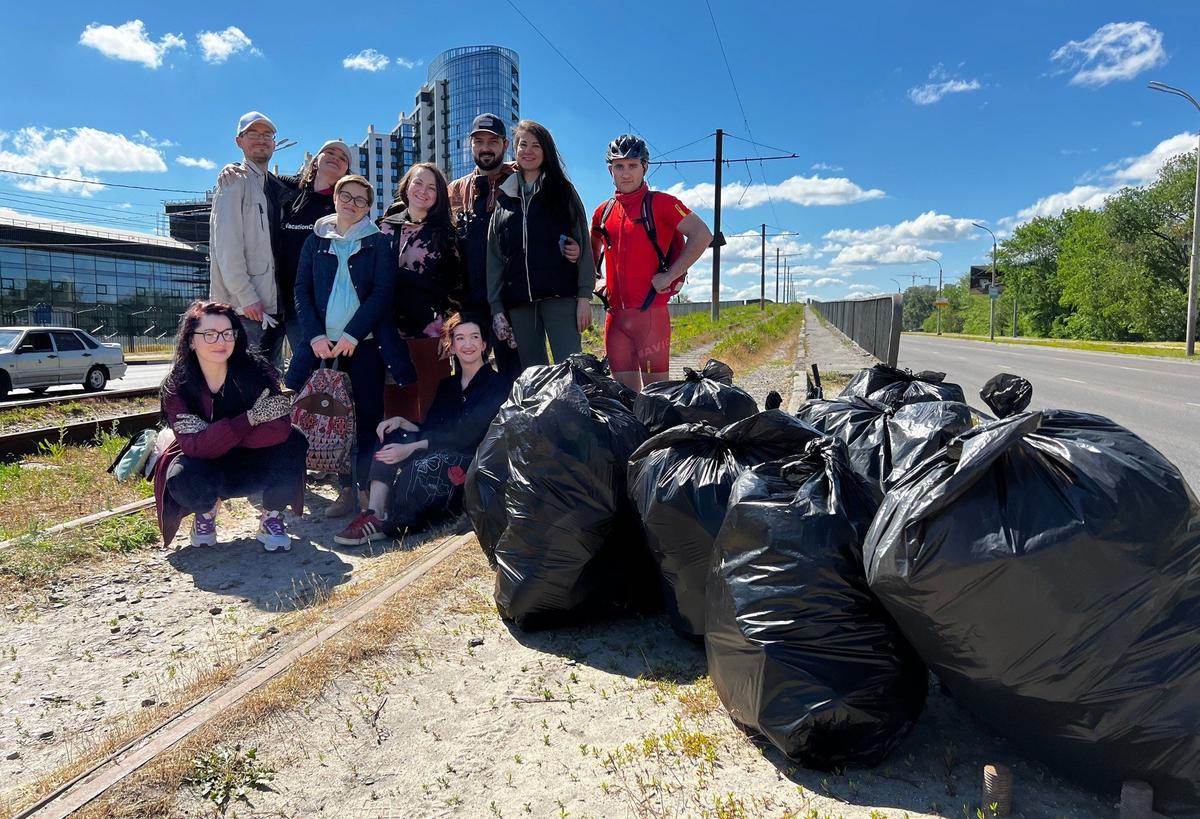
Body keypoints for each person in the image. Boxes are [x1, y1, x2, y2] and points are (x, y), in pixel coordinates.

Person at [287, 174, 416, 519]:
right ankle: (344, 489)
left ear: (369, 207)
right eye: (347, 195)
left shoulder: (378, 242)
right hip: (322, 348)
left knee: (367, 418)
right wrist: (315, 336)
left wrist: (353, 334)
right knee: (333, 420)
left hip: (364, 346)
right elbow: (301, 290)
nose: (352, 203)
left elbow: (382, 294)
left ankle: (365, 490)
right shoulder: (315, 239)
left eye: (361, 199)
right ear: (336, 197)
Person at [335, 313, 508, 546]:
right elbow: (432, 427)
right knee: (391, 432)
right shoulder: (448, 385)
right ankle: (374, 514)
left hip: (472, 462)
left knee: (424, 465)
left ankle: (393, 523)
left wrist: (412, 447)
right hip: (439, 448)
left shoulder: (498, 385)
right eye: (460, 338)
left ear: (484, 344)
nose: (468, 344)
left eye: (474, 337)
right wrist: (402, 423)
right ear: (452, 345)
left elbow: (468, 435)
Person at [155, 301, 307, 552]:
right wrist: (251, 418)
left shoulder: (259, 371)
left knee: (294, 440)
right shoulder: (178, 386)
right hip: (208, 468)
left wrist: (211, 432)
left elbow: (280, 426)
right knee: (182, 477)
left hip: (255, 463)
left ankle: (271, 516)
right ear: (191, 340)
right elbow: (193, 448)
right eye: (210, 334)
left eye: (228, 333)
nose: (220, 341)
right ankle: (206, 513)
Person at [591, 134, 713, 392]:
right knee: (624, 401)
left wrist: (670, 276)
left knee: (657, 399)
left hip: (651, 316)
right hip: (615, 319)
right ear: (609, 169)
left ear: (645, 167)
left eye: (633, 165)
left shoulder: (662, 204)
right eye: (619, 166)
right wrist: (596, 280)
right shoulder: (603, 212)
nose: (625, 173)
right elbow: (590, 254)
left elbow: (703, 235)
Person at [486, 119, 594, 372]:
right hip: (521, 304)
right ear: (514, 148)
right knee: (534, 376)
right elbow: (494, 258)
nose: (528, 151)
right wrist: (497, 308)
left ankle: (574, 413)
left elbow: (584, 244)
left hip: (561, 299)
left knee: (571, 370)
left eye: (536, 145)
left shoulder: (563, 191)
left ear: (546, 151)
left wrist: (584, 297)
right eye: (523, 144)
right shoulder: (504, 199)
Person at [378, 162, 462, 423]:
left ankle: (430, 461)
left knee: (430, 406)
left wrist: (450, 328)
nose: (423, 191)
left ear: (439, 196)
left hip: (431, 331)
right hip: (388, 331)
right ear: (406, 186)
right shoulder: (383, 228)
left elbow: (457, 285)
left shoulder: (447, 234)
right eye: (418, 183)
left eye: (432, 188)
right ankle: (395, 460)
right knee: (394, 405)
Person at [209, 111, 289, 366]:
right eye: (252, 134)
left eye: (267, 135)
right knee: (241, 386)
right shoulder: (233, 182)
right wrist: (246, 296)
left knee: (269, 386)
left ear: (274, 143)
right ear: (239, 141)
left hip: (273, 306)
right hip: (246, 308)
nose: (261, 140)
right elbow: (226, 247)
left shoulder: (273, 185)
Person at [447, 114, 521, 378]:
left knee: (515, 374)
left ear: (505, 144)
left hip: (511, 298)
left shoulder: (520, 179)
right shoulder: (454, 191)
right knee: (469, 374)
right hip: (470, 300)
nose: (485, 147)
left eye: (493, 141)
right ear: (470, 146)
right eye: (479, 141)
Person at [275, 140, 353, 356]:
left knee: (309, 368)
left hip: (314, 305)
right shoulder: (290, 189)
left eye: (343, 157)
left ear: (347, 170)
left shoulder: (344, 207)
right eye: (329, 152)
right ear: (316, 161)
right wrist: (234, 167)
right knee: (266, 367)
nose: (335, 158)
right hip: (276, 297)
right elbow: (256, 174)